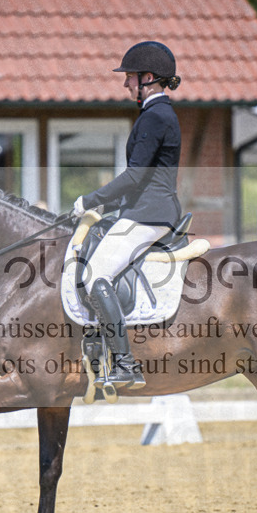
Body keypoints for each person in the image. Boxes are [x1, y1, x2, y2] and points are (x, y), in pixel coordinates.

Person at [71, 41, 183, 389]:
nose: (126, 84)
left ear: (148, 78)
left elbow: (135, 176)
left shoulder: (156, 116)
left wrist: (91, 199)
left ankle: (124, 363)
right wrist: (106, 208)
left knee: (94, 276)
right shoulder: (155, 115)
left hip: (150, 214)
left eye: (130, 78)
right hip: (142, 209)